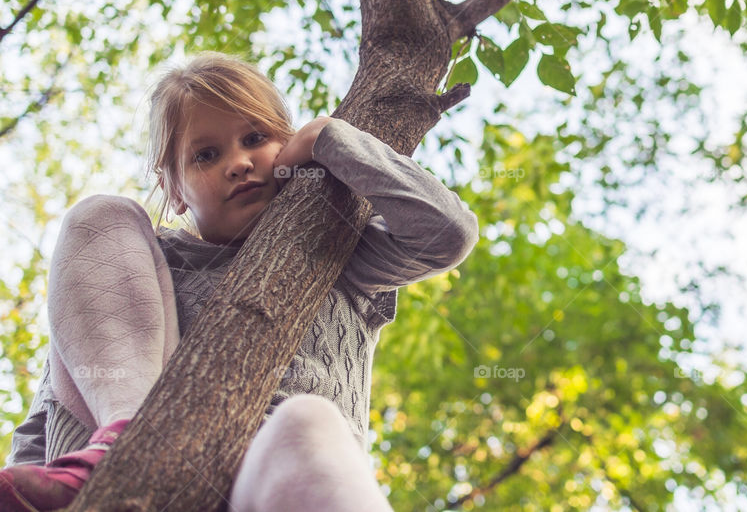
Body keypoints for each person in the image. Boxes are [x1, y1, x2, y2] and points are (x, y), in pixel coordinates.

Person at [0, 52, 479, 511]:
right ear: (174, 190)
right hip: (123, 476)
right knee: (101, 214)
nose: (238, 162)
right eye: (206, 155)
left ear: (287, 144)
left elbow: (447, 233)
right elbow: (54, 398)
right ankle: (124, 439)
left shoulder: (341, 247)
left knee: (307, 420)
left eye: (255, 138)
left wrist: (329, 138)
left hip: (274, 482)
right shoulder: (136, 267)